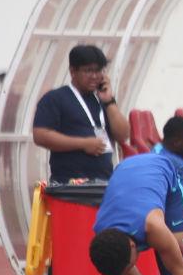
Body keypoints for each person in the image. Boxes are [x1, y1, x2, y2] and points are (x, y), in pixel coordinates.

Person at [33, 45, 129, 182]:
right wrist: (83, 143)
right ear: (73, 71)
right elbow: (40, 135)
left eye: (99, 71)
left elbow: (123, 134)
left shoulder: (102, 100)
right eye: (88, 71)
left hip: (103, 183)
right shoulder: (56, 98)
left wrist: (109, 101)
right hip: (70, 185)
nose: (95, 76)